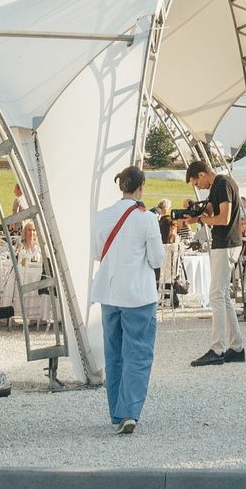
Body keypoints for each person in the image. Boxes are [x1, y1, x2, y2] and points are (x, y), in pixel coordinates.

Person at [91, 164, 164, 435]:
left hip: (109, 292)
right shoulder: (147, 219)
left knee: (114, 354)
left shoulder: (102, 216)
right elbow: (156, 259)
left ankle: (117, 412)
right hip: (138, 293)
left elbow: (97, 253)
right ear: (141, 186)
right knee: (139, 353)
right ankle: (130, 411)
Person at [189, 162, 245, 366]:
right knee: (223, 296)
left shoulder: (222, 183)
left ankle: (217, 349)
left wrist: (202, 219)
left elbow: (223, 218)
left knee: (216, 295)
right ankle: (237, 347)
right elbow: (213, 213)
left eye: (197, 182)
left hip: (226, 243)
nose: (199, 187)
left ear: (202, 174)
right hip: (226, 243)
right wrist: (197, 211)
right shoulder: (219, 185)